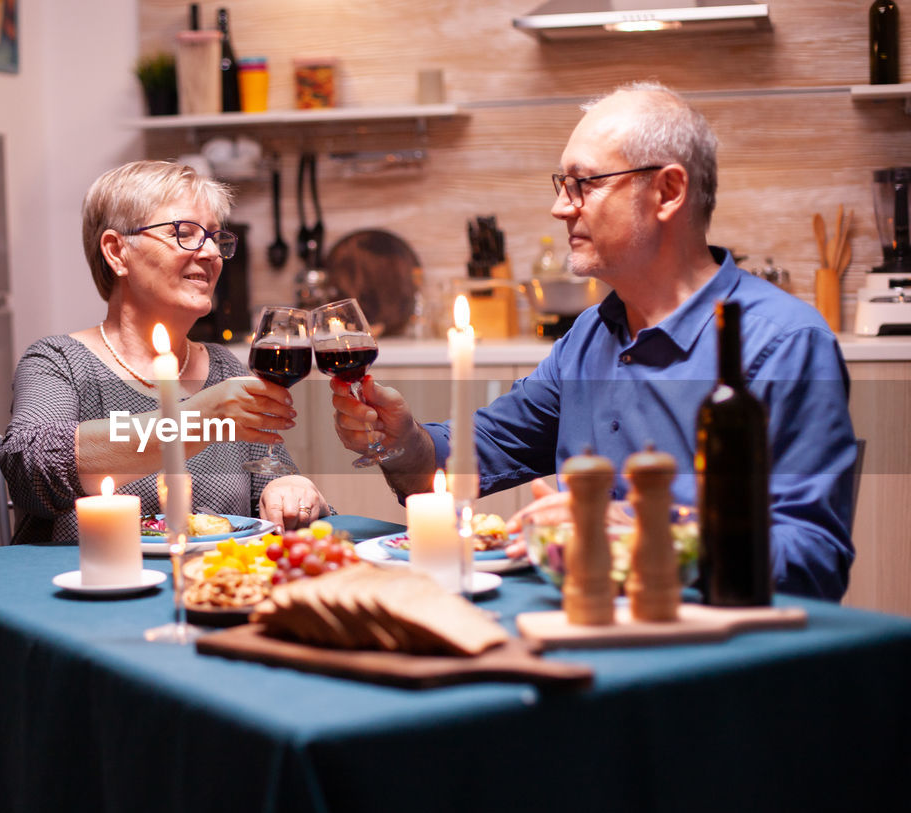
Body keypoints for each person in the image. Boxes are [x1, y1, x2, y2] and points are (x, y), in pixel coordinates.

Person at [328, 82, 857, 601]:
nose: (561, 208)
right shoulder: (591, 335)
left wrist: (644, 532)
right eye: (562, 184)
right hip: (581, 619)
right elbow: (474, 456)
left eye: (584, 183)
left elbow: (813, 560)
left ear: (668, 192)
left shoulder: (785, 345)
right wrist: (400, 439)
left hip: (715, 655)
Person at [0, 160, 328, 544]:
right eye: (184, 233)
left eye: (215, 238)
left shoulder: (223, 368)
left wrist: (292, 489)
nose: (210, 253)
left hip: (209, 591)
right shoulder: (58, 361)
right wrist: (199, 417)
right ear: (116, 252)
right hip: (90, 595)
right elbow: (32, 468)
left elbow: (273, 482)